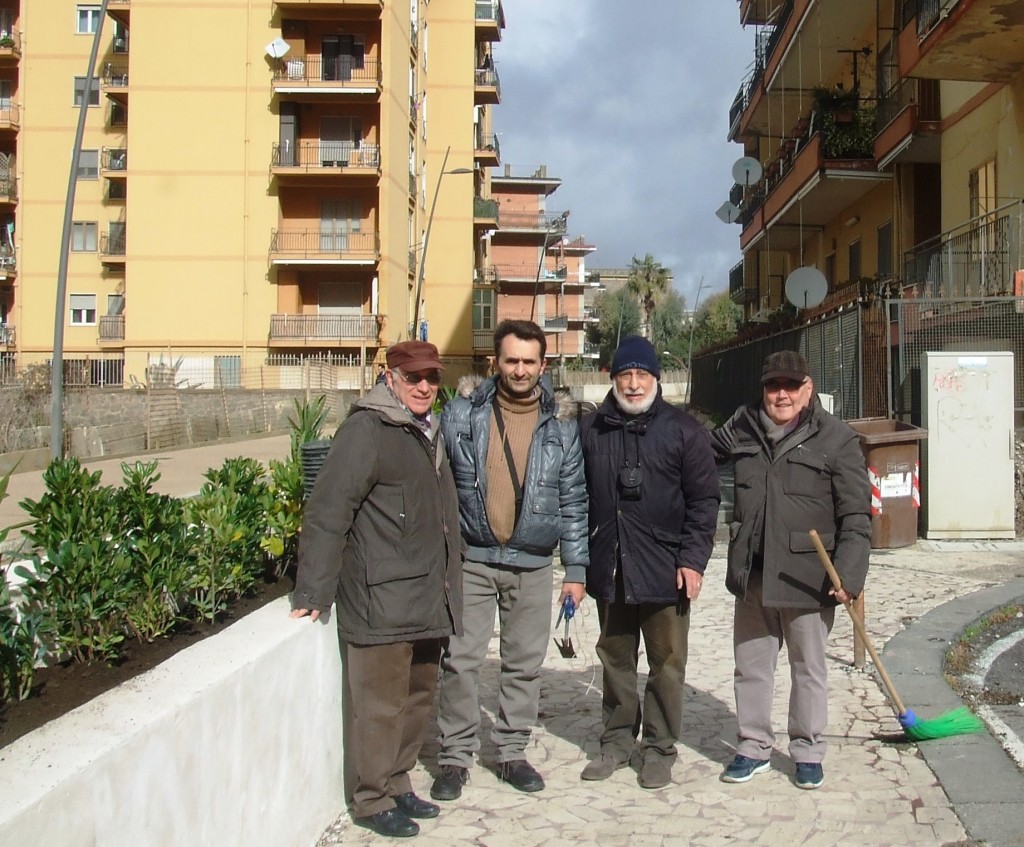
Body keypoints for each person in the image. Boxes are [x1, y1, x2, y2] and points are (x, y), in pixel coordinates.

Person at [290, 339, 462, 839]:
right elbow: (328, 511)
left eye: (432, 377)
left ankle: (399, 780)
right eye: (414, 378)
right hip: (381, 599)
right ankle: (370, 797)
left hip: (428, 594)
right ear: (390, 377)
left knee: (416, 699)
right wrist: (312, 593)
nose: (425, 386)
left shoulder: (428, 430)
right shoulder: (366, 430)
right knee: (379, 706)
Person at [430, 319, 588, 800]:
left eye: (529, 361)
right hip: (472, 560)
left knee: (523, 664)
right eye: (511, 360)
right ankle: (454, 757)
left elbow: (573, 498)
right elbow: (438, 483)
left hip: (534, 564)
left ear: (543, 365)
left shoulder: (562, 425)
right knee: (460, 661)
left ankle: (511, 751)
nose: (520, 370)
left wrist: (575, 570)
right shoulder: (461, 415)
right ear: (494, 362)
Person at [711, 350, 870, 790]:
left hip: (808, 578)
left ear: (807, 389)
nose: (780, 394)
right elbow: (696, 453)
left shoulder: (837, 439)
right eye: (772, 386)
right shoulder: (741, 427)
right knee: (751, 667)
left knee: (809, 669)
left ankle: (807, 750)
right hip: (753, 574)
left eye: (790, 386)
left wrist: (849, 575)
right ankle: (752, 746)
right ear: (762, 389)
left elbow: (857, 516)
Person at [579, 336, 720, 789]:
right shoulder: (592, 429)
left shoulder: (685, 431)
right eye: (626, 374)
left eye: (642, 374)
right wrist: (579, 563)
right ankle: (617, 741)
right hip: (612, 565)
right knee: (615, 659)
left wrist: (693, 561)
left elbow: (705, 502)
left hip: (666, 569)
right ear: (613, 378)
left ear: (656, 378)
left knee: (666, 663)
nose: (634, 383)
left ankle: (658, 748)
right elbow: (576, 497)